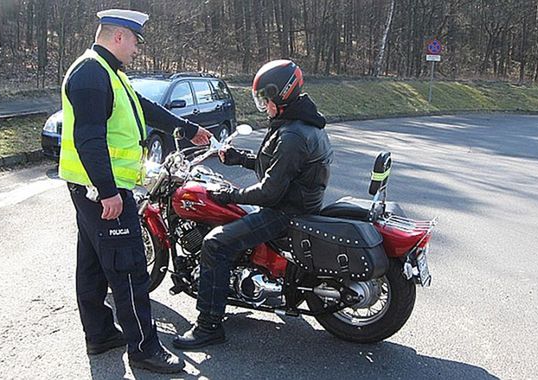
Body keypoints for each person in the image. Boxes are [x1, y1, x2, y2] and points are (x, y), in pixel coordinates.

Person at [58, 9, 212, 374]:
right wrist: (109, 191)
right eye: (135, 41)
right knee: (128, 269)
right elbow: (89, 139)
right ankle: (144, 349)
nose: (138, 49)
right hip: (103, 192)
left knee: (94, 264)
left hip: (95, 190)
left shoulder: (108, 72)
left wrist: (185, 128)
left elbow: (141, 109)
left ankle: (100, 335)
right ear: (118, 37)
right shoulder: (92, 74)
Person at [173, 59, 333, 349]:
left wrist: (229, 194)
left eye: (265, 99)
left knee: (215, 244)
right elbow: (280, 167)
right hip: (295, 203)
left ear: (281, 96)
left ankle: (208, 326)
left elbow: (270, 192)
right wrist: (239, 158)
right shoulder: (300, 123)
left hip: (284, 212)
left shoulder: (293, 134)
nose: (264, 105)